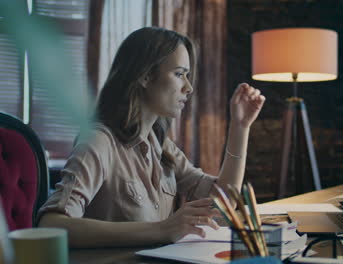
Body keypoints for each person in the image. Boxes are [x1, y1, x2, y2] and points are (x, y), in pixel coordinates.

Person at [38, 27, 265, 248]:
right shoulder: (99, 142)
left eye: (188, 76)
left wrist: (240, 127)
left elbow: (223, 202)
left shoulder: (161, 146)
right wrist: (163, 229)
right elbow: (52, 226)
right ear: (145, 76)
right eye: (179, 74)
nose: (189, 87)